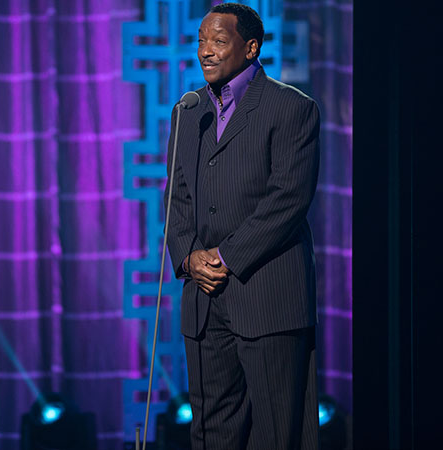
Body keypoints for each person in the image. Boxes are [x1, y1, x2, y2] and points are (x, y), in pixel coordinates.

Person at [164, 3, 320, 449]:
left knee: (275, 432)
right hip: (204, 299)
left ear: (250, 48)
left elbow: (287, 200)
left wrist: (225, 257)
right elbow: (177, 199)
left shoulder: (291, 108)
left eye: (218, 41)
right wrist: (189, 255)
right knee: (212, 432)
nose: (205, 51)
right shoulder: (188, 111)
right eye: (200, 41)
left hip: (266, 294)